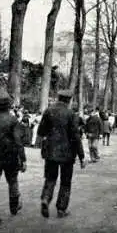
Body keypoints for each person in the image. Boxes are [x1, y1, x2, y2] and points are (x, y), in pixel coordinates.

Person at [37, 90, 86, 218]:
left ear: (59, 98)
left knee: (50, 178)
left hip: (51, 152)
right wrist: (82, 156)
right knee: (65, 182)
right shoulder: (71, 114)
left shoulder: (48, 111)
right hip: (67, 154)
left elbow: (41, 131)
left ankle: (46, 199)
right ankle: (61, 209)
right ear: (69, 100)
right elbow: (76, 137)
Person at [0, 97, 27, 225]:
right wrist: (23, 159)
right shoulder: (13, 120)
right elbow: (18, 142)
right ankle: (14, 207)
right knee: (12, 181)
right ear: (9, 106)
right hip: (10, 156)